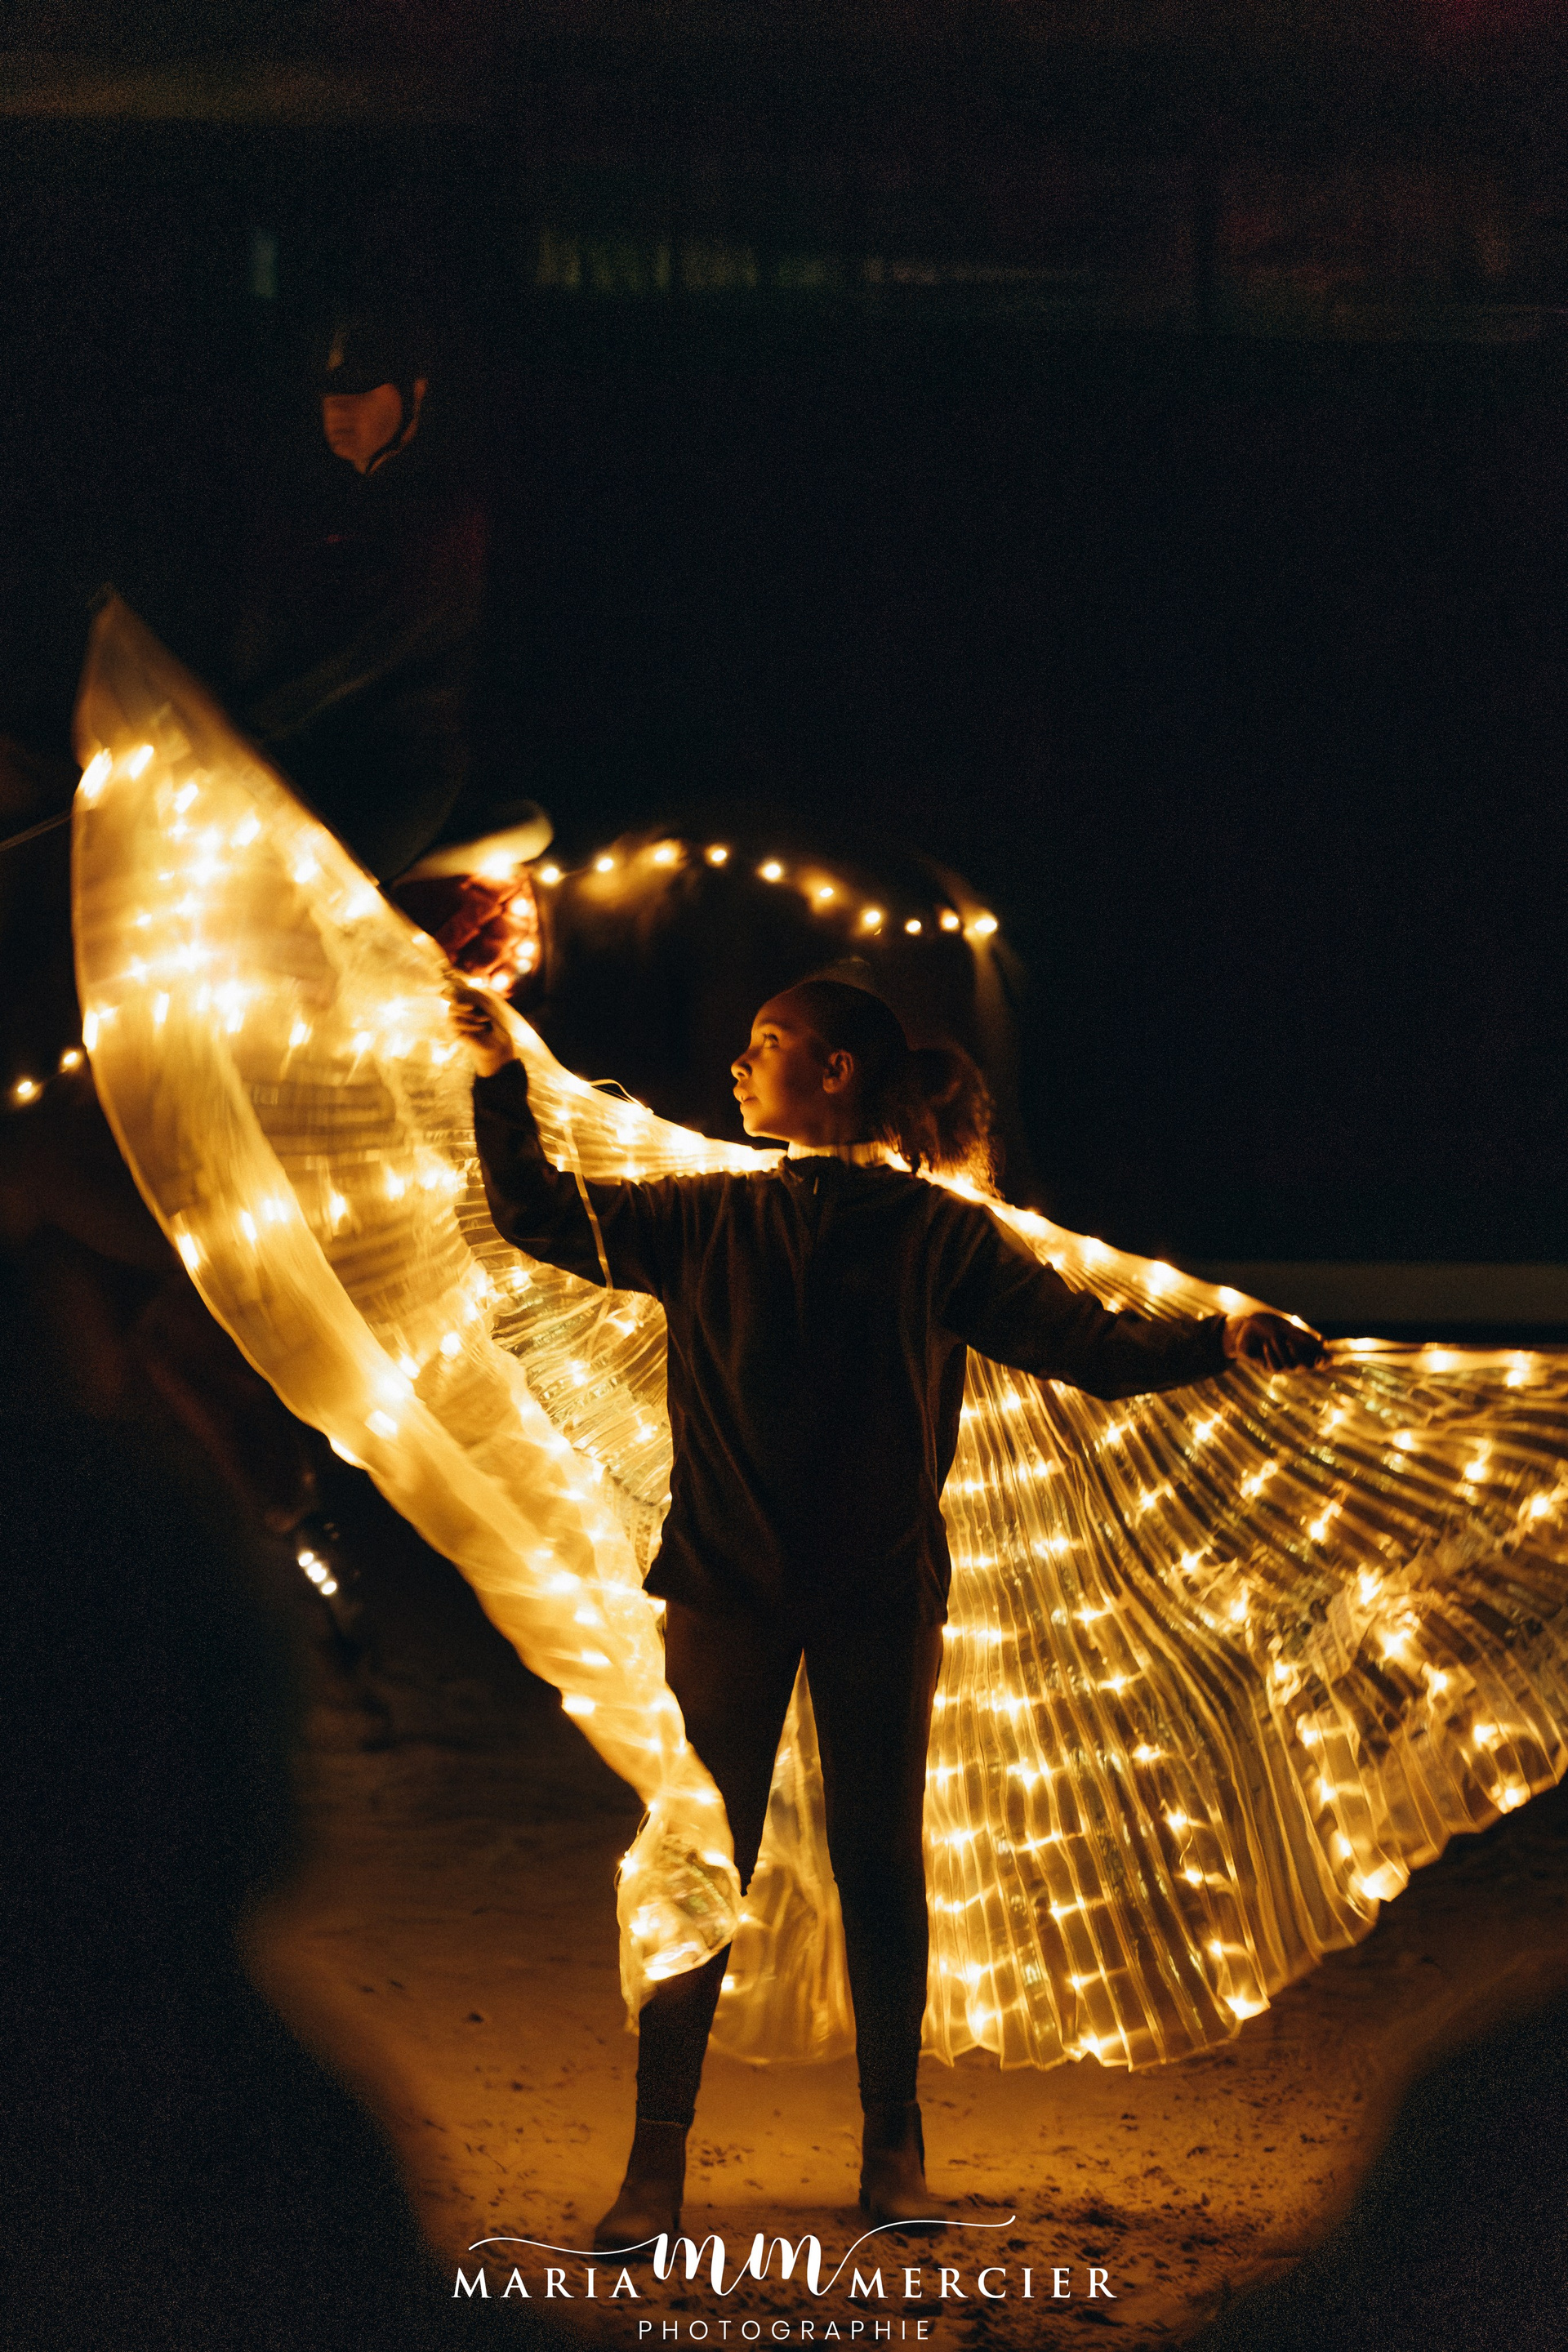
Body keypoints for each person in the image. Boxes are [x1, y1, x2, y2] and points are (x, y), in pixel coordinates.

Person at [448, 973, 1322, 2247]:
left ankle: (892, 2154)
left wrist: (1223, 1338)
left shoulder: (940, 1238)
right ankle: (655, 2161)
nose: (740, 1065)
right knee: (700, 1859)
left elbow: (1089, 1346)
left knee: (879, 1864)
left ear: (838, 1071)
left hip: (878, 1592)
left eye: (768, 1044)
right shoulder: (707, 1216)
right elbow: (536, 1213)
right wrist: (497, 1074)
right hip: (726, 1590)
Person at [230, 309, 488, 883]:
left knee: (301, 892)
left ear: (414, 397)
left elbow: (380, 648)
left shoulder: (446, 517)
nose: (339, 411)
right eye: (330, 396)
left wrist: (261, 723)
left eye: (360, 394)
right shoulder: (329, 508)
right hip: (316, 758)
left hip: (398, 773)